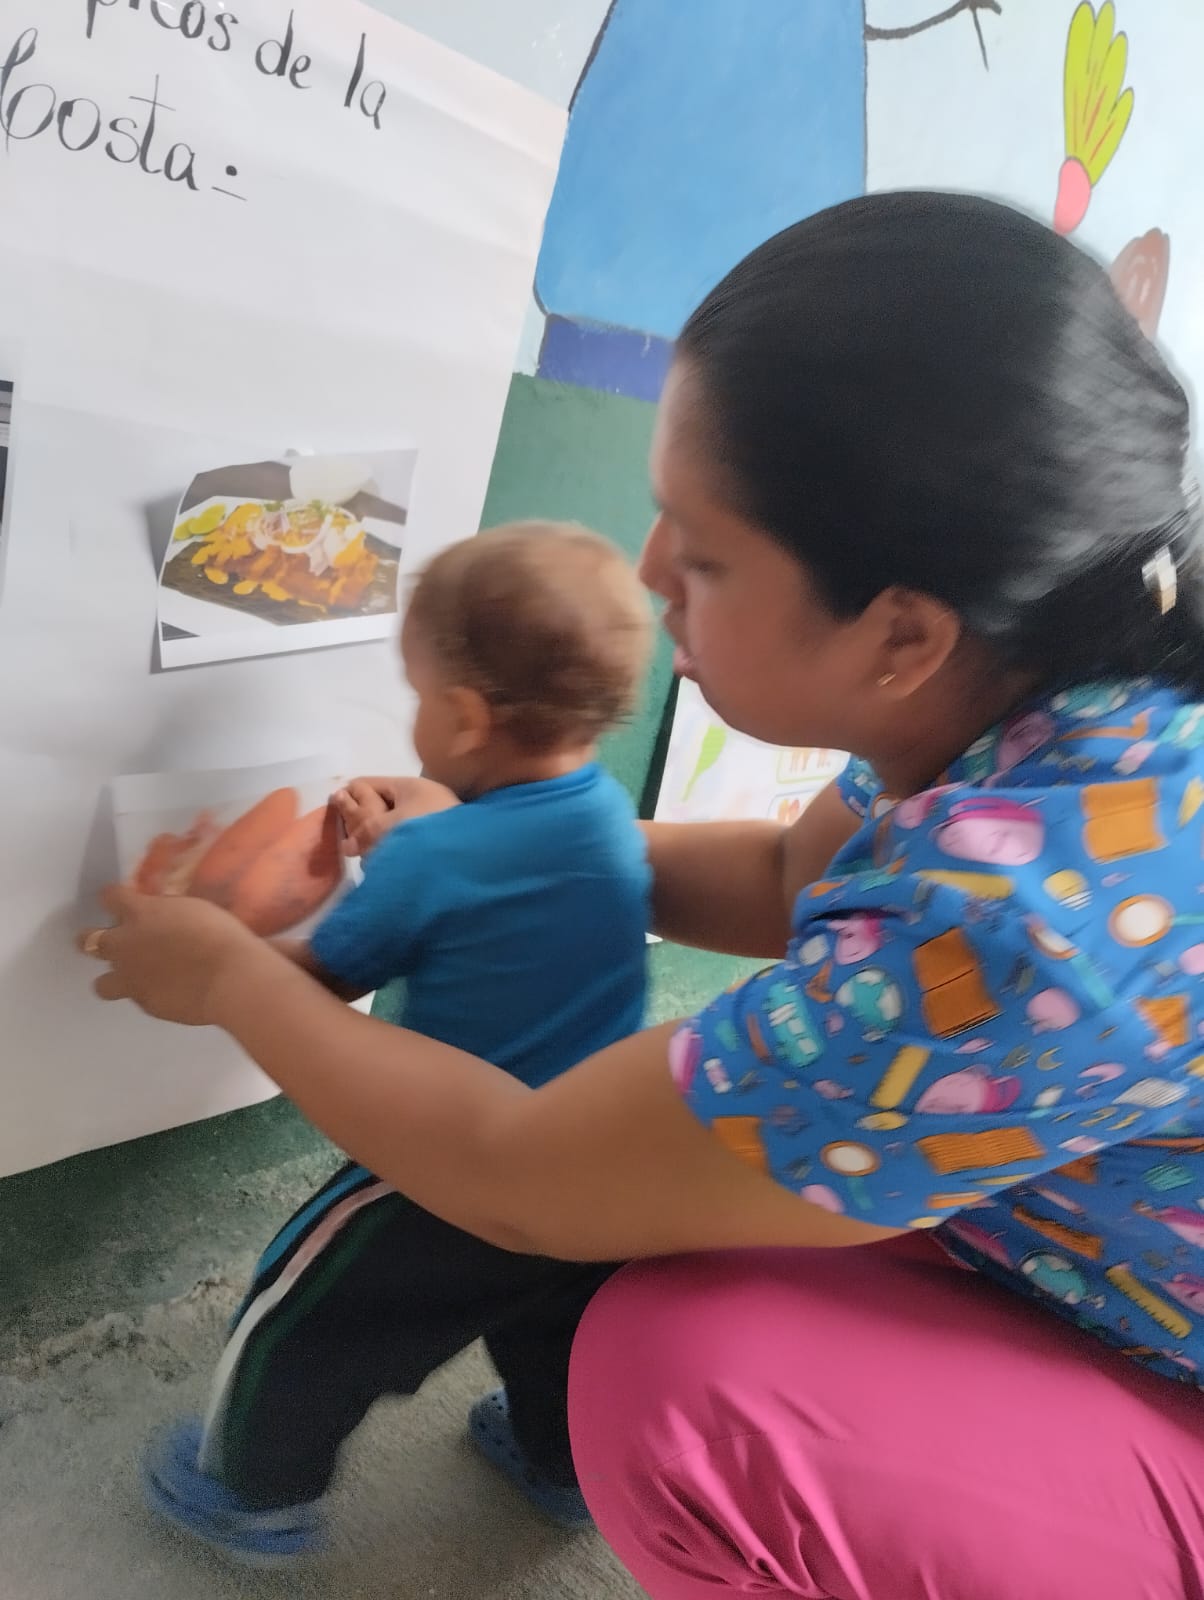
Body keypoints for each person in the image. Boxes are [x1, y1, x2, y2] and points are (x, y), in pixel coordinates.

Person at [82, 194, 1204, 1598]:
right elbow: (788, 878)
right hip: (1074, 1222)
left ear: (903, 633)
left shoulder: (1016, 933)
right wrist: (507, 844)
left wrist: (229, 975)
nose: (651, 570)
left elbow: (519, 1176)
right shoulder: (1048, 700)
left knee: (676, 1381)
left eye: (704, 550)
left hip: (1163, 1363)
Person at [137, 522, 654, 1559]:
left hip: (447, 1168)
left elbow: (315, 985)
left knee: (305, 1317)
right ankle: (561, 1472)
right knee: (563, 1332)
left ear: (463, 717)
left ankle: (249, 1496)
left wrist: (211, 932)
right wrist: (430, 838)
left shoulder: (433, 861)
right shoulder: (606, 811)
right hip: (601, 1157)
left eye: (417, 695)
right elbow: (500, 878)